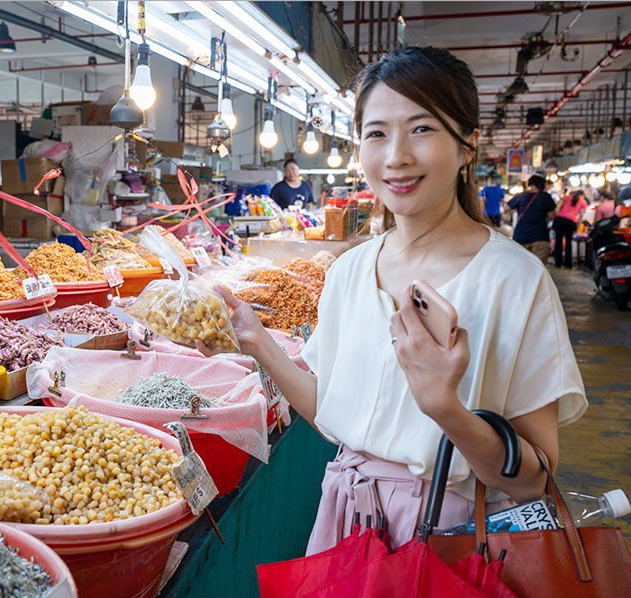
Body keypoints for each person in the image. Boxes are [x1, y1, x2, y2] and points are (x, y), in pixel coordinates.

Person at [197, 47, 586, 553]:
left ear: (468, 145)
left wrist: (445, 407)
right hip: (344, 525)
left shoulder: (516, 281)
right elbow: (334, 414)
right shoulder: (348, 273)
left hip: (454, 537)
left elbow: (533, 479)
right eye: (376, 133)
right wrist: (257, 342)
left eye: (421, 129)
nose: (396, 156)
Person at [507, 175, 557, 264]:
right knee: (538, 268)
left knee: (521, 266)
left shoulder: (521, 196)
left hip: (521, 236)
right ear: (542, 185)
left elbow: (506, 208)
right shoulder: (546, 197)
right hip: (540, 236)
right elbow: (551, 216)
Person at [552, 190, 588, 269]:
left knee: (558, 241)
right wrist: (577, 228)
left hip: (559, 219)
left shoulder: (567, 197)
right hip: (571, 222)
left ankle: (558, 262)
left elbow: (559, 207)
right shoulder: (583, 202)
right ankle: (567, 263)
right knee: (568, 243)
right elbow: (581, 216)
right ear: (583, 195)